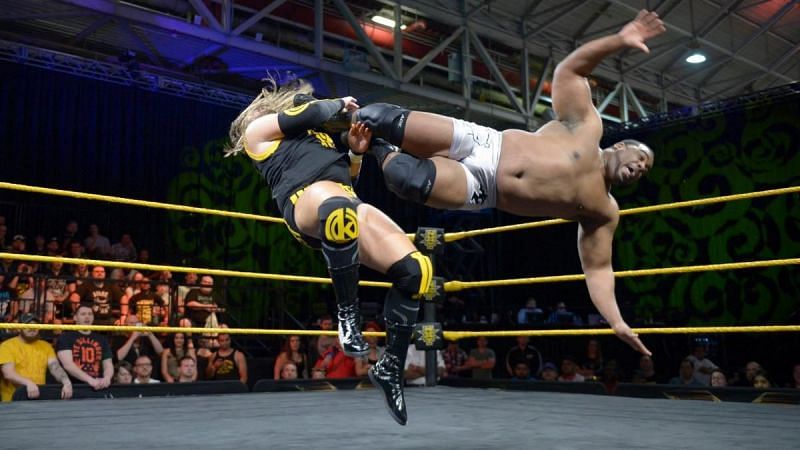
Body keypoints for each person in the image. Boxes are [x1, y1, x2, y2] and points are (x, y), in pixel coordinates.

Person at [349, 10, 666, 356]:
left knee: (405, 180)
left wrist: (616, 321)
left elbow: (599, 269)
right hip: (486, 143)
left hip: (485, 188)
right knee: (375, 116)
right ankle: (329, 117)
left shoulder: (603, 210)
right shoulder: (588, 128)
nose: (641, 168)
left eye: (646, 170)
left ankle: (377, 149)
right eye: (641, 159)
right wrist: (620, 40)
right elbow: (570, 70)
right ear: (621, 147)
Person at [226, 79, 434, 425]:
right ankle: (347, 317)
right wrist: (339, 104)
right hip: (305, 202)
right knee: (337, 211)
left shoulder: (318, 136)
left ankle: (390, 368)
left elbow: (348, 175)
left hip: (346, 200)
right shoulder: (257, 133)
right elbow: (309, 111)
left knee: (417, 271)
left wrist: (354, 152)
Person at [0, 313, 72, 402]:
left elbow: (55, 367)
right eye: (28, 325)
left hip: (38, 397)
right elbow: (8, 374)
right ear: (18, 328)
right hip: (13, 399)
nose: (32, 328)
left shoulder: (46, 346)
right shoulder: (7, 346)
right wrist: (28, 383)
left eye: (35, 325)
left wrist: (66, 381)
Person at [56, 303, 114, 389]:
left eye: (90, 314)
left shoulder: (102, 339)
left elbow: (108, 363)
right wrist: (90, 380)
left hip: (98, 386)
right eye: (83, 314)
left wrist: (107, 378)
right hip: (75, 387)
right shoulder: (65, 337)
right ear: (75, 318)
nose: (87, 317)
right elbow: (68, 365)